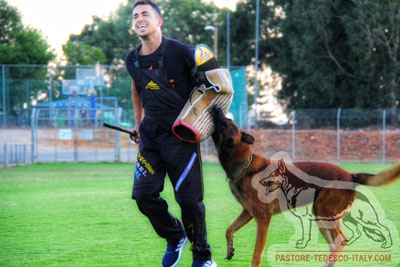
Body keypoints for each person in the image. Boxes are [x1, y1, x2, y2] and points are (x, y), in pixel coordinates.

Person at [125, 1, 216, 267]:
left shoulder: (182, 52)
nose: (139, 18)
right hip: (150, 136)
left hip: (181, 136)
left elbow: (215, 85)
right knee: (143, 196)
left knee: (189, 200)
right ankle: (175, 236)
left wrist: (209, 121)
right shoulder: (132, 58)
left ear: (158, 21)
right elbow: (136, 90)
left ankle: (203, 257)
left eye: (145, 14)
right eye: (135, 16)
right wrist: (138, 123)